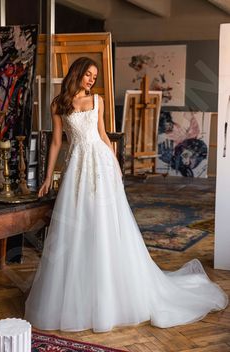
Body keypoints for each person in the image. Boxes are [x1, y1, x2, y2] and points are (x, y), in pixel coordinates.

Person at [25, 57, 228, 332]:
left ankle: (110, 293)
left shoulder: (98, 101)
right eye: (88, 75)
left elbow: (103, 135)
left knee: (104, 224)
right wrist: (48, 176)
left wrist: (116, 165)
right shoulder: (58, 104)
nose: (91, 80)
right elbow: (57, 143)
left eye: (94, 77)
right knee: (76, 227)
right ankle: (78, 292)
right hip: (76, 169)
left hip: (101, 166)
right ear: (77, 73)